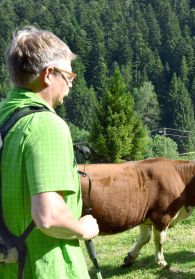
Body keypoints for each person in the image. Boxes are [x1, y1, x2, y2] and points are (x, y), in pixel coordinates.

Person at [0, 26, 99, 278]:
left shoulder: (4, 117)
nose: (71, 84)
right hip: (45, 265)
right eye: (69, 76)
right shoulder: (46, 125)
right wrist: (83, 228)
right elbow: (48, 216)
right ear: (48, 74)